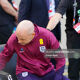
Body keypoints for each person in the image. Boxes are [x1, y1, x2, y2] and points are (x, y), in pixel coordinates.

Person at [0, 20, 69, 80]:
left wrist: (58, 77)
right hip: (26, 72)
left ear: (33, 34)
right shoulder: (15, 38)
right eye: (18, 38)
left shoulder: (47, 36)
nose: (19, 41)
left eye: (22, 39)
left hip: (46, 70)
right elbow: (4, 55)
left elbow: (60, 58)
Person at [46, 0, 80, 80]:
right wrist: (47, 31)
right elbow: (57, 16)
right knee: (74, 64)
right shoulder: (67, 1)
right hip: (74, 35)